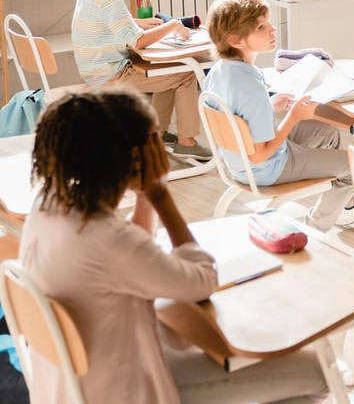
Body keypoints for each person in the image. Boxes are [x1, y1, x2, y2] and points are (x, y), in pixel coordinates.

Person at [19, 89, 328, 403]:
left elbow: (132, 250)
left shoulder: (49, 206)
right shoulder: (107, 239)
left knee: (193, 339)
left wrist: (144, 195)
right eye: (155, 141)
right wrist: (160, 196)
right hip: (132, 390)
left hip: (77, 385)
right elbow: (202, 282)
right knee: (319, 370)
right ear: (137, 156)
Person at [203, 0, 354, 230]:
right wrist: (293, 116)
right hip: (266, 168)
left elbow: (239, 116)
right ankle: (318, 226)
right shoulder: (250, 86)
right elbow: (260, 154)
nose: (273, 30)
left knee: (326, 133)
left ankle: (341, 197)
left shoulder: (220, 71)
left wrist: (270, 106)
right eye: (262, 27)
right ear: (236, 40)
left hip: (234, 162)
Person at [71, 0, 210, 160]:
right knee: (186, 74)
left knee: (168, 69)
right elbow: (139, 42)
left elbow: (106, 22)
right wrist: (173, 25)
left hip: (94, 71)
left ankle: (158, 133)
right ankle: (187, 141)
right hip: (111, 76)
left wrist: (134, 22)